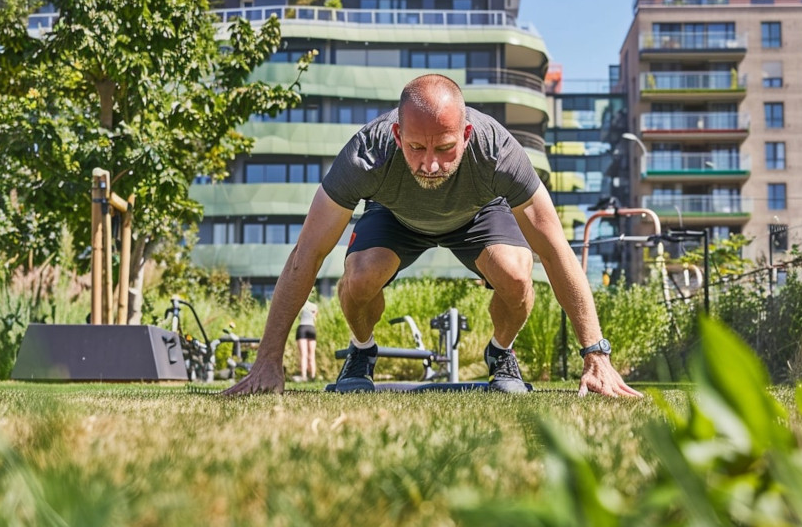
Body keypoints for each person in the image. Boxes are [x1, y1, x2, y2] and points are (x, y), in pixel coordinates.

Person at [225, 74, 640, 398]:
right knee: (360, 277)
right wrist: (268, 359)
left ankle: (500, 353)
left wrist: (596, 355)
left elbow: (555, 251)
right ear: (396, 137)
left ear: (466, 136)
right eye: (416, 149)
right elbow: (307, 253)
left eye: (444, 149)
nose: (430, 165)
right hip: (395, 214)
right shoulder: (365, 155)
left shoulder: (499, 153)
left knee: (517, 275)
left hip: (477, 214)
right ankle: (362, 351)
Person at [294, 295, 318, 381]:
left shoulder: (300, 305)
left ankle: (304, 376)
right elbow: (315, 317)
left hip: (302, 328)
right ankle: (313, 376)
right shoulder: (314, 306)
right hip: (311, 328)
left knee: (304, 355)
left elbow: (296, 316)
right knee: (312, 354)